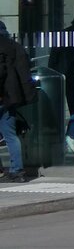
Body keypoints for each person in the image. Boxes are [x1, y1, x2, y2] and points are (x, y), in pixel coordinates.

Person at [0, 20, 37, 183]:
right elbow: (24, 71)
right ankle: (17, 170)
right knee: (10, 135)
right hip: (10, 99)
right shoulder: (15, 46)